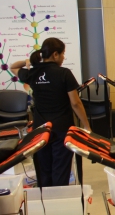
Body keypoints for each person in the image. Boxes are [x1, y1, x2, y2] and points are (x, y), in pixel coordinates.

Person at [11, 38, 91, 187]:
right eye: (63, 54)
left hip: (41, 130)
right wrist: (87, 126)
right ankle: (59, 199)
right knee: (60, 170)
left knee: (44, 170)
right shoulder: (64, 73)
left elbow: (13, 67)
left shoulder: (33, 73)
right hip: (62, 129)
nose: (63, 57)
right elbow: (75, 103)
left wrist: (27, 62)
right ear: (55, 54)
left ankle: (46, 199)